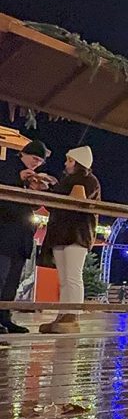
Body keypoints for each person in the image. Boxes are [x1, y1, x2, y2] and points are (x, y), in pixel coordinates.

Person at [39, 146, 101, 334]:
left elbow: (78, 201)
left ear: (79, 163)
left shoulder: (89, 181)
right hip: (62, 233)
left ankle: (72, 315)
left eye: (70, 160)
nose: (66, 164)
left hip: (77, 233)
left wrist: (56, 191)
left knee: (73, 276)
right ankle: (63, 314)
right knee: (64, 278)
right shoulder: (66, 182)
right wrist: (49, 189)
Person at [0, 140, 52, 334]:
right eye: (34, 158)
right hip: (4, 232)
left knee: (13, 280)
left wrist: (37, 189)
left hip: (21, 235)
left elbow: (32, 206)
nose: (35, 163)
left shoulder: (32, 176)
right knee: (1, 276)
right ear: (23, 154)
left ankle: (5, 317)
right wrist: (19, 177)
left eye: (39, 161)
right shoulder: (7, 167)